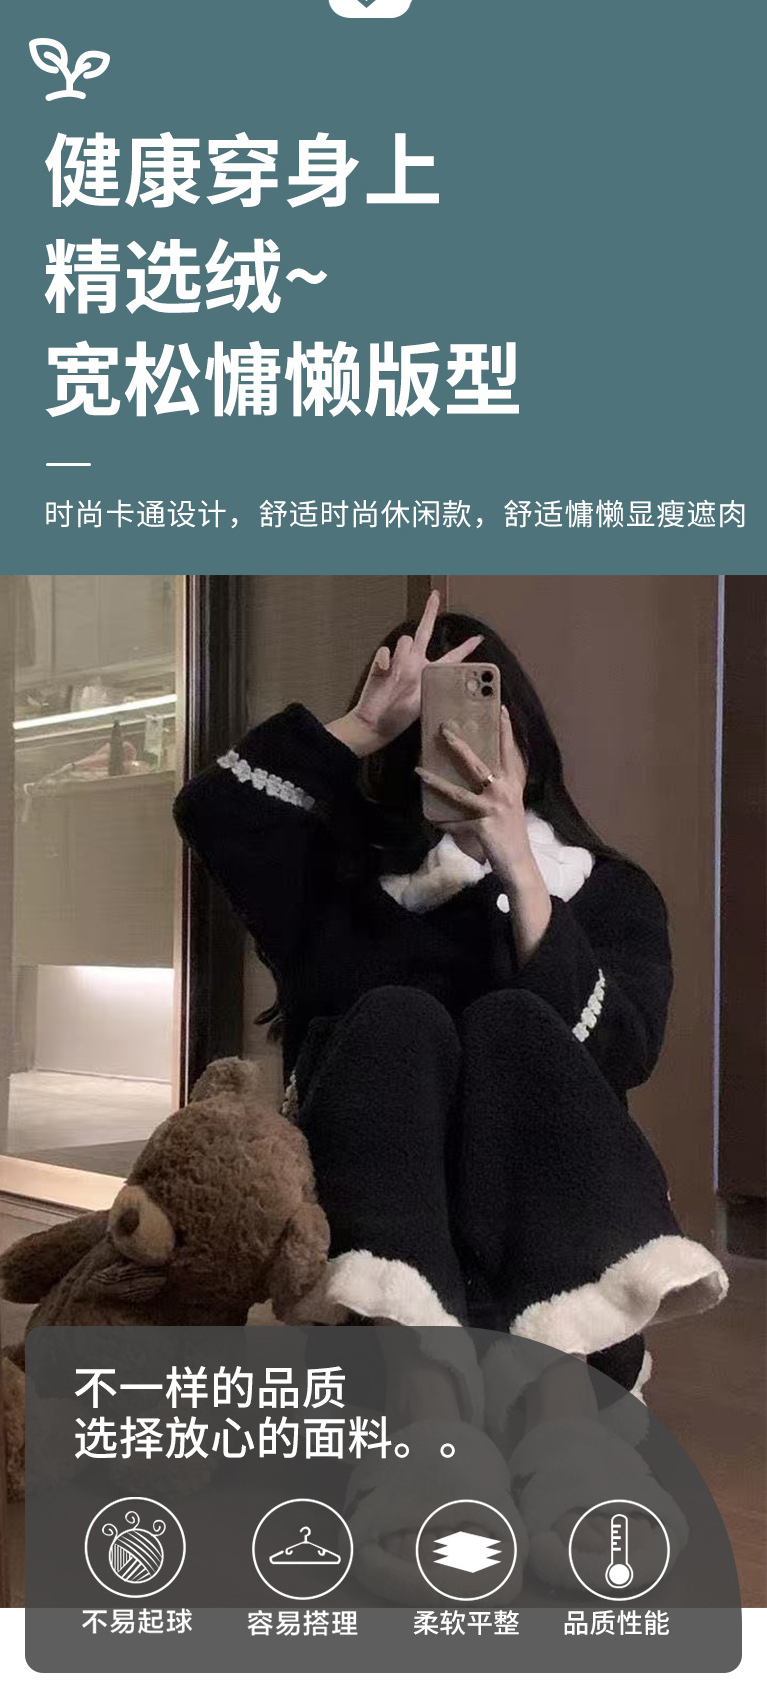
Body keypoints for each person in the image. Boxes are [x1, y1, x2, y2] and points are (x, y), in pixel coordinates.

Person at [174, 592, 726, 1586]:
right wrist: (357, 726)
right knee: (396, 1018)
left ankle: (565, 1424)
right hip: (383, 1260)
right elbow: (216, 811)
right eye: (429, 729)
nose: (457, 746)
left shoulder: (605, 891)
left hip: (546, 1259)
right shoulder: (340, 888)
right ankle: (423, 1420)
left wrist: (517, 862)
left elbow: (625, 1050)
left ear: (525, 742)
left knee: (514, 1024)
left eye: (478, 721)